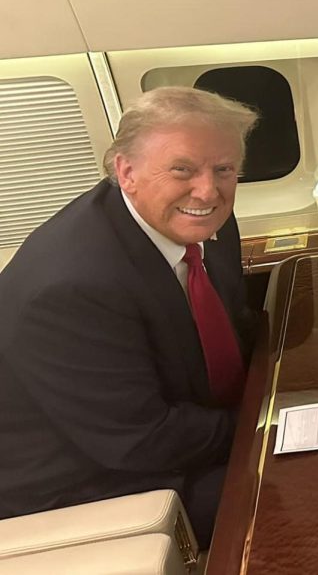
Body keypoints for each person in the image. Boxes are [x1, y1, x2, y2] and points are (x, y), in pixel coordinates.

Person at [0, 86, 259, 549]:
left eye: (224, 169)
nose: (208, 189)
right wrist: (264, 421)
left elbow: (229, 318)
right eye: (183, 169)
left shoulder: (203, 218)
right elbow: (140, 439)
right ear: (126, 172)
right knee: (281, 491)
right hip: (80, 476)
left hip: (163, 427)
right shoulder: (70, 288)